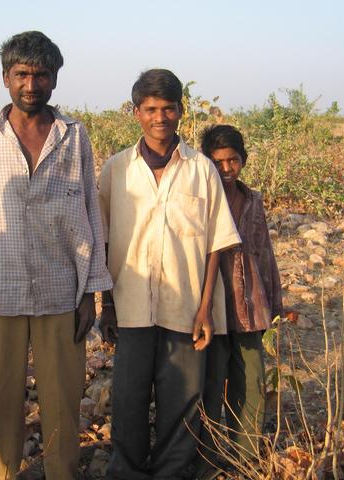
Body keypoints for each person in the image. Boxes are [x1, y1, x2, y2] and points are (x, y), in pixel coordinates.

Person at [0, 31, 112, 480]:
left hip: (61, 290)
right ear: (5, 78)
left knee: (62, 400)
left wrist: (89, 294)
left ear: (55, 80)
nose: (31, 84)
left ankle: (62, 473)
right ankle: (1, 474)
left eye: (41, 75)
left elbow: (88, 216)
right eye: (22, 74)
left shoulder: (73, 136)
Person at [98, 69, 241, 480]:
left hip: (185, 307)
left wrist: (205, 309)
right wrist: (106, 306)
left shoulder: (201, 170)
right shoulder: (116, 170)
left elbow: (216, 242)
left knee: (182, 400)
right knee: (128, 398)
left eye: (168, 109)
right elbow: (104, 241)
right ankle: (126, 470)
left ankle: (171, 472)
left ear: (181, 111)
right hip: (131, 306)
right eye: (150, 109)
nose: (159, 117)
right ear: (136, 112)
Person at [197, 125, 284, 478]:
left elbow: (264, 252)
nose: (227, 169)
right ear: (207, 163)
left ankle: (246, 454)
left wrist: (276, 303)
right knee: (212, 379)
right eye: (218, 162)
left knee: (250, 377)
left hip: (250, 302)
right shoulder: (201, 199)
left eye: (233, 160)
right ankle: (209, 456)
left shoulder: (253, 200)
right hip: (213, 302)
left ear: (243, 160)